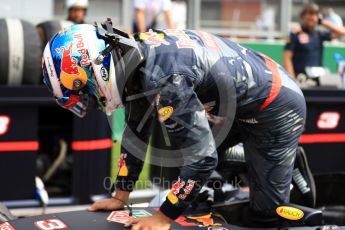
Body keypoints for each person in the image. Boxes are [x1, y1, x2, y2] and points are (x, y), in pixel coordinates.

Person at [42, 20, 307, 229]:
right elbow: (136, 133)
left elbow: (202, 159)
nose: (91, 96)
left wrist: (164, 217)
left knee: (265, 215)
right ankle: (261, 160)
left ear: (95, 68)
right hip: (244, 97)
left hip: (276, 105)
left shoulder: (164, 77)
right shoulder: (134, 57)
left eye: (85, 89)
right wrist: (120, 196)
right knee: (189, 154)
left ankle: (285, 163)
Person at [283, 3, 345, 78]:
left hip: (317, 78)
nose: (311, 17)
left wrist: (322, 22)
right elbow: (287, 58)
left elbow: (342, 32)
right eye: (309, 14)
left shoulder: (319, 34)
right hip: (300, 77)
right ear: (302, 16)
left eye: (314, 14)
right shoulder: (294, 34)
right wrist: (292, 79)